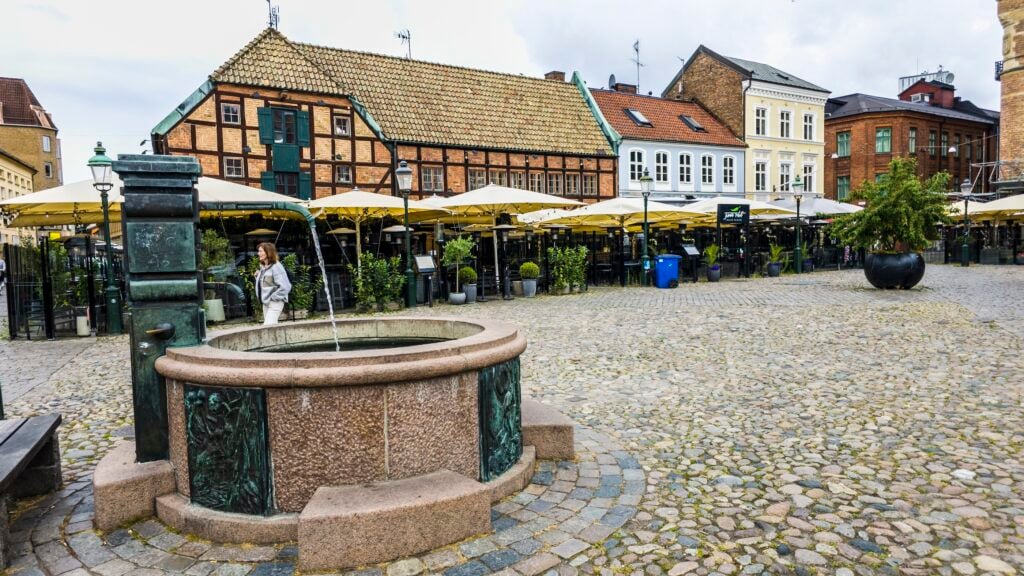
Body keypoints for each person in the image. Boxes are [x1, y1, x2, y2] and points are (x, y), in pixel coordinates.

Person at [254, 243, 291, 325]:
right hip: (266, 303)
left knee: (268, 326)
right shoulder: (263, 267)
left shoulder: (276, 266)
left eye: (260, 251)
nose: (258, 253)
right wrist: (258, 276)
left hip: (274, 303)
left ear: (268, 252)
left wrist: (274, 298)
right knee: (271, 328)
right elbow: (267, 283)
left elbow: (286, 286)